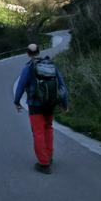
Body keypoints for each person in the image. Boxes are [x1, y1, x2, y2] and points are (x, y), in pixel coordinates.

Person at [14, 43, 69, 174]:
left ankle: (43, 164)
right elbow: (62, 86)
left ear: (27, 54)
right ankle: (49, 157)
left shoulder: (28, 68)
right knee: (48, 128)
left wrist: (17, 102)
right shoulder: (51, 65)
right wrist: (65, 104)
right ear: (39, 51)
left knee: (38, 132)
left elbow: (21, 86)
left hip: (35, 105)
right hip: (50, 104)